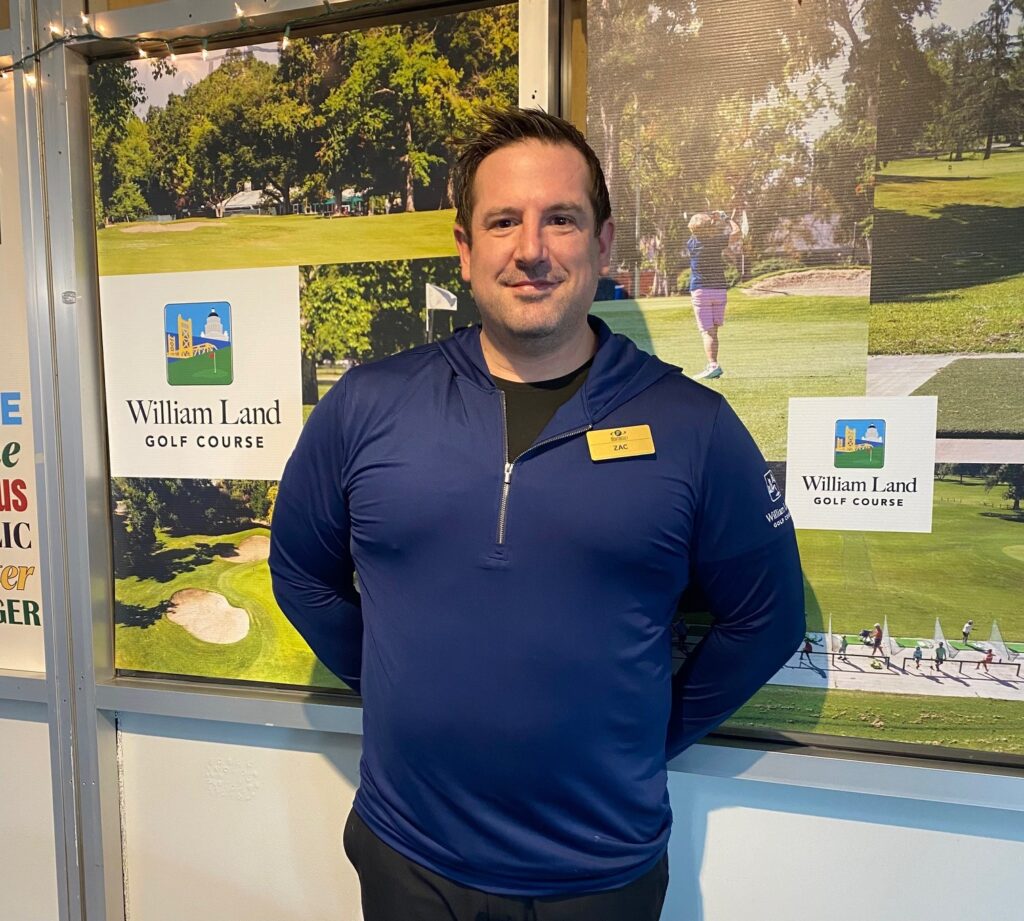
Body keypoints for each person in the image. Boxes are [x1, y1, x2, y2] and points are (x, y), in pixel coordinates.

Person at [269, 107, 805, 921]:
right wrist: (396, 687)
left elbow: (766, 620)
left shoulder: (693, 426)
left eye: (561, 218)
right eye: (503, 222)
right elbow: (302, 574)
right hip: (410, 858)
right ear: (465, 247)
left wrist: (644, 734)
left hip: (600, 873)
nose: (531, 249)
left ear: (603, 242)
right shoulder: (368, 406)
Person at [685, 210, 741, 380]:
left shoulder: (692, 244)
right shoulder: (716, 242)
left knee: (707, 332)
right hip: (719, 291)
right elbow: (737, 233)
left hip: (701, 291)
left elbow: (699, 230)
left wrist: (710, 221)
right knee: (713, 332)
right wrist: (726, 218)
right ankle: (713, 364)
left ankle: (713, 365)